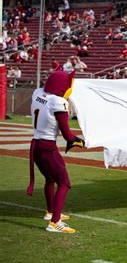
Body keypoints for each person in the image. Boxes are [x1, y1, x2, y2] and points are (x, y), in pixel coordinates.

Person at [27, 71, 85, 233]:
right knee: (64, 183)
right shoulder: (58, 102)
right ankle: (55, 222)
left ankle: (51, 212)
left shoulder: (37, 93)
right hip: (47, 147)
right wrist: (81, 141)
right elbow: (67, 135)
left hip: (36, 144)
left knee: (50, 179)